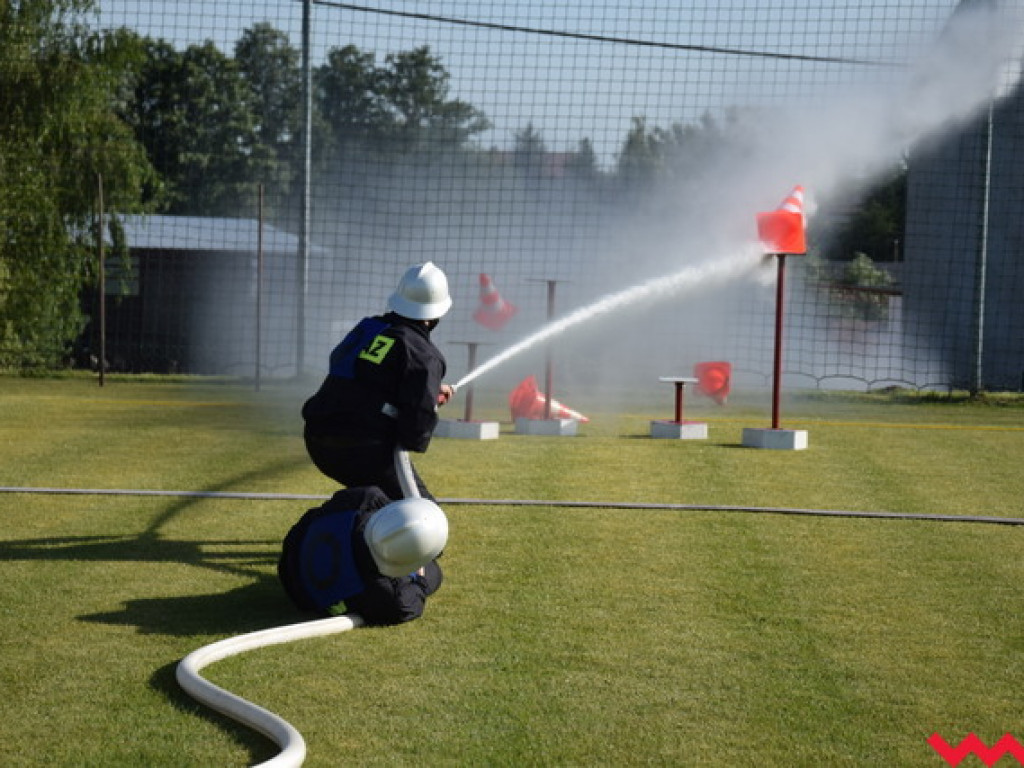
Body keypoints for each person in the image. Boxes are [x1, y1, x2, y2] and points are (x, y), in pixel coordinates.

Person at [302, 262, 454, 501]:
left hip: (317, 436)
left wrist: (424, 391)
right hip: (361, 447)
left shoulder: (368, 329)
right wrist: (425, 401)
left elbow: (362, 376)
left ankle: (358, 514)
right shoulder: (424, 355)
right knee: (422, 514)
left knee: (380, 498)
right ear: (434, 315)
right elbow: (415, 432)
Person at [278, 486, 447, 625]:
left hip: (292, 554)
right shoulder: (389, 596)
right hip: (302, 594)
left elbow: (313, 516)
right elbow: (410, 606)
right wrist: (421, 582)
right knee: (434, 574)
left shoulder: (364, 498)